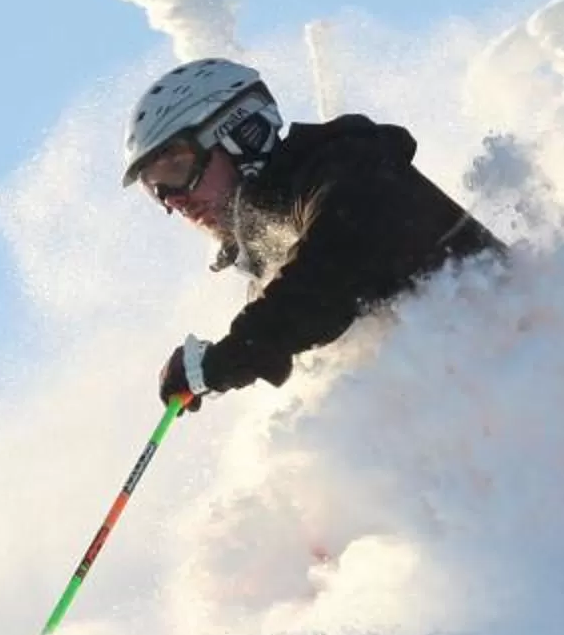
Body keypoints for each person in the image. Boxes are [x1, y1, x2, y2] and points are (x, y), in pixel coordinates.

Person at [121, 59, 500, 411]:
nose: (175, 199)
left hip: (520, 367)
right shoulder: (275, 255)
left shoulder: (349, 168)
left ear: (240, 133)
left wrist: (230, 357)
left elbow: (332, 268)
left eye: (176, 168)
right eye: (156, 189)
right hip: (470, 419)